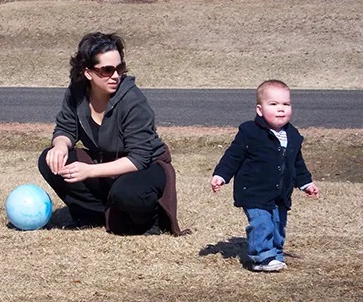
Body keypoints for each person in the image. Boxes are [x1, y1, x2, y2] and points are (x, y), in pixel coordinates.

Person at [38, 32, 189, 236]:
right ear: (88, 72)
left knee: (126, 191)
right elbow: (65, 128)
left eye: (120, 68)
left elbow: (139, 158)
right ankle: (94, 214)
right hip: (106, 164)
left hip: (146, 167)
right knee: (50, 160)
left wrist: (90, 171)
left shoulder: (133, 100)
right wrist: (60, 146)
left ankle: (150, 220)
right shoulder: (77, 92)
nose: (116, 75)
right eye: (107, 70)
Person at [210, 79, 319, 272]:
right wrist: (221, 175)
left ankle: (275, 253)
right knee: (262, 223)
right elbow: (233, 156)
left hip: (280, 193)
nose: (281, 109)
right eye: (274, 104)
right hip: (254, 191)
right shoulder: (249, 132)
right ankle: (261, 257)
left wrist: (306, 183)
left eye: (286, 104)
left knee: (278, 224)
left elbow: (297, 163)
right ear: (260, 110)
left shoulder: (292, 135)